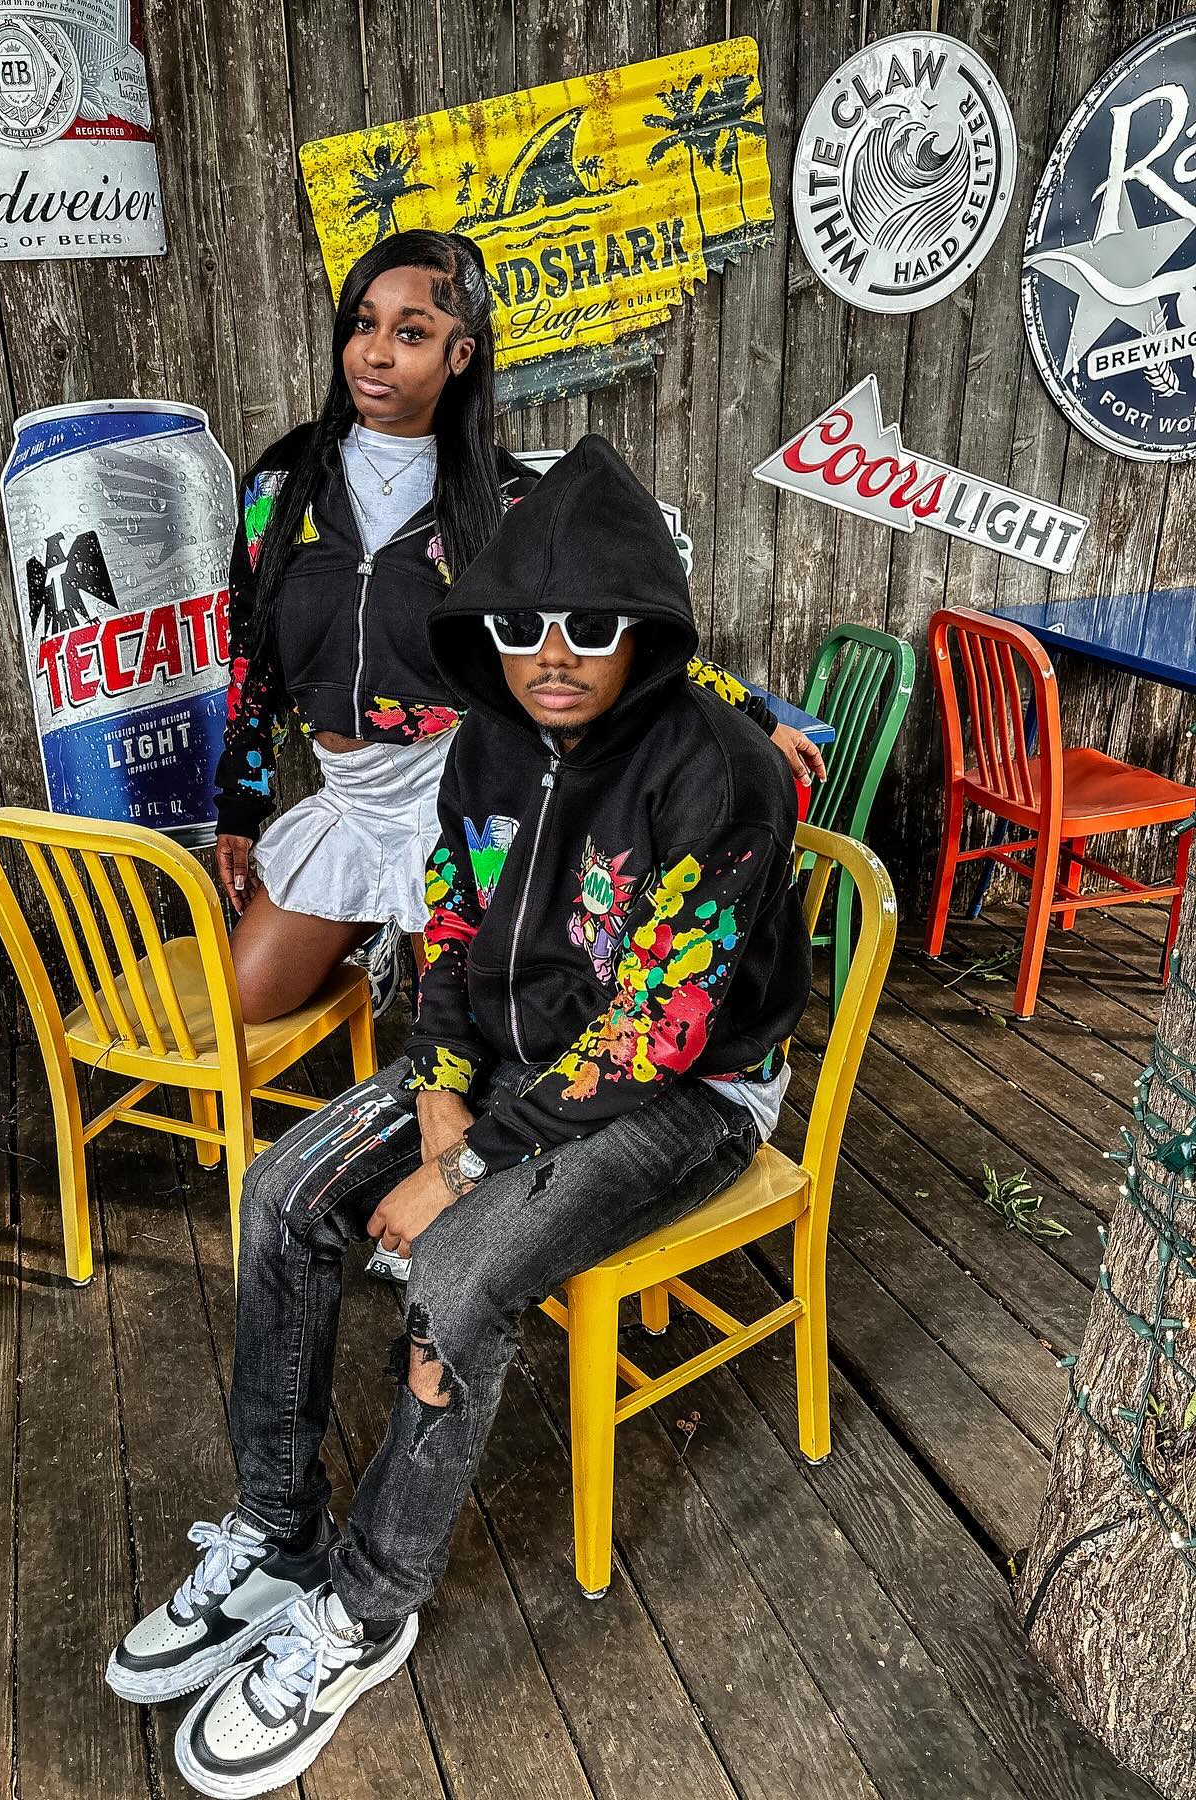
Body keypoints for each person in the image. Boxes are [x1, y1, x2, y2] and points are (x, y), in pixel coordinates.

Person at [112, 436, 813, 1797]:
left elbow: (657, 1033)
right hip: (505, 1055)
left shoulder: (723, 773)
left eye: (591, 626)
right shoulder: (487, 740)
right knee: (282, 1192)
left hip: (691, 1089)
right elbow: (446, 931)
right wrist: (439, 1094)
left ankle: (368, 1605)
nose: (553, 655)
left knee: (457, 1276)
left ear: (647, 628)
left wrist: (470, 1164)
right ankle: (280, 1533)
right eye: (522, 624)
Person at [211, 230, 822, 1026]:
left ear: (459, 354)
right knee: (248, 1000)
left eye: (411, 333)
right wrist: (240, 805)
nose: (376, 353)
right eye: (363, 323)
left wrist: (756, 720)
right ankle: (384, 940)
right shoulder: (281, 485)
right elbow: (252, 650)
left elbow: (626, 636)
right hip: (352, 793)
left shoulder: (508, 504)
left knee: (473, 1020)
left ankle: (424, 960)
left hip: (459, 782)